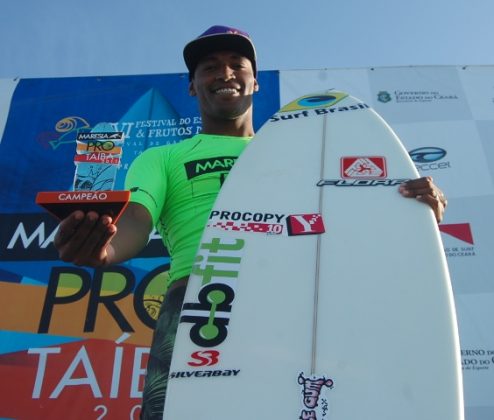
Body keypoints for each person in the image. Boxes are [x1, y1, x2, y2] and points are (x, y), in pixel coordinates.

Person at [54, 25, 448, 419]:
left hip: (303, 296)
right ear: (193, 87)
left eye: (236, 64)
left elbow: (345, 225)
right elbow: (136, 220)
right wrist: (105, 247)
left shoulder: (308, 155)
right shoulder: (163, 158)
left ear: (255, 82)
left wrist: (410, 210)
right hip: (201, 301)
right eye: (209, 67)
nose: (224, 74)